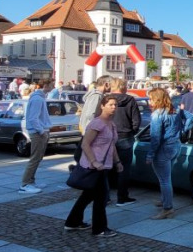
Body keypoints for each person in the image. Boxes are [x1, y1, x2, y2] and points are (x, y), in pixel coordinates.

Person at [64, 94, 122, 237]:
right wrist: (94, 161)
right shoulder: (97, 123)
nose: (114, 107)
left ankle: (72, 222)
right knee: (101, 198)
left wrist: (117, 162)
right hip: (94, 167)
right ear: (102, 106)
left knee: (87, 196)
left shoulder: (112, 124)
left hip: (105, 165)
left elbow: (111, 145)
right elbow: (85, 144)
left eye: (115, 105)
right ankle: (100, 229)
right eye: (110, 105)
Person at [147, 88, 185, 220]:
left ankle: (167, 208)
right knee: (166, 178)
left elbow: (155, 137)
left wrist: (150, 155)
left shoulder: (158, 114)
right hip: (175, 146)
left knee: (164, 180)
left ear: (157, 99)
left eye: (151, 98)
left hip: (164, 148)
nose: (149, 101)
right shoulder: (174, 110)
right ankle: (165, 200)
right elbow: (186, 121)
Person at [108, 78, 141, 206]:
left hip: (108, 135)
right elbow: (136, 120)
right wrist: (132, 131)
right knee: (124, 168)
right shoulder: (130, 100)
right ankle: (122, 197)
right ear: (123, 87)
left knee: (106, 167)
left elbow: (98, 116)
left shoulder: (106, 100)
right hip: (125, 135)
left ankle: (104, 197)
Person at [18, 84, 52, 194]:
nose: (53, 87)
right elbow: (33, 118)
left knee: (37, 158)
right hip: (37, 132)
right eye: (51, 85)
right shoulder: (37, 99)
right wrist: (41, 131)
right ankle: (25, 184)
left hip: (40, 131)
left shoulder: (39, 97)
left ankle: (30, 181)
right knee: (35, 158)